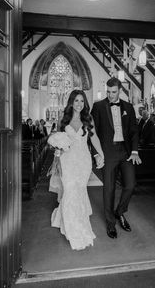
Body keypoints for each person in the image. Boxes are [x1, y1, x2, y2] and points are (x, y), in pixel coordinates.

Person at [49, 90, 104, 250]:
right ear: (71, 102)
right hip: (67, 160)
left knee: (79, 191)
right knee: (70, 190)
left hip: (84, 161)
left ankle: (77, 220)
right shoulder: (64, 119)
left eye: (82, 101)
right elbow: (58, 142)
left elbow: (94, 138)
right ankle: (72, 227)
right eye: (76, 100)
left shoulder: (88, 118)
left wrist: (101, 154)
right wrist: (57, 158)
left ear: (84, 103)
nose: (79, 104)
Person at [91, 77, 141, 239]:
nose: (111, 95)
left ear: (120, 90)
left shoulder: (128, 107)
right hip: (108, 152)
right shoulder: (98, 106)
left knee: (131, 185)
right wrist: (97, 153)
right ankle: (111, 223)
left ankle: (120, 212)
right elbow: (93, 132)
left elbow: (134, 131)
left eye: (114, 92)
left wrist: (134, 151)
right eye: (108, 92)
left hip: (125, 152)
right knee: (109, 188)